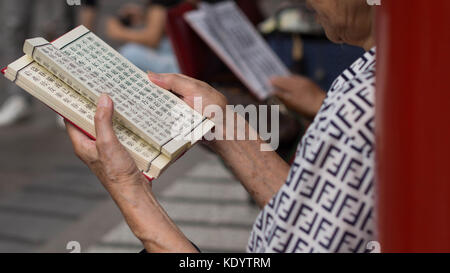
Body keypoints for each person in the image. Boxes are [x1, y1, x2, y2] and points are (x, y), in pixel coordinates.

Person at [65, 0, 376, 253]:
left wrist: (127, 187)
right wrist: (223, 126)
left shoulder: (362, 108)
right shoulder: (374, 75)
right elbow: (309, 213)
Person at [106, 0, 183, 74]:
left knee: (129, 52)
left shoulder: (159, 4)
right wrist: (144, 16)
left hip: (178, 64)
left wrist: (120, 32)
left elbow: (152, 40)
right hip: (178, 57)